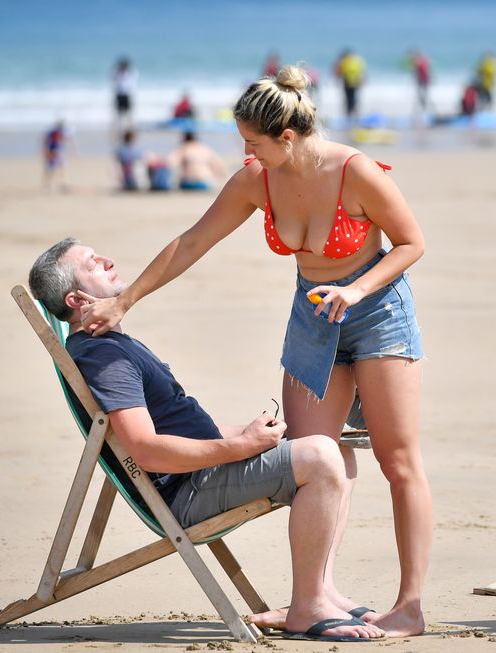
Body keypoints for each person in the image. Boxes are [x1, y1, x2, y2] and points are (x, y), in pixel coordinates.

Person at [79, 65, 431, 638]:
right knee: (319, 453)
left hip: (378, 312)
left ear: (286, 138)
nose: (245, 152)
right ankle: (317, 598)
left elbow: (413, 242)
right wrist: (126, 303)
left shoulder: (355, 171)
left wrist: (356, 289)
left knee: (398, 461)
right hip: (313, 317)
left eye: (253, 142)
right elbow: (193, 240)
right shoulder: (256, 179)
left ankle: (409, 606)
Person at [28, 238, 386, 642]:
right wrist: (242, 446)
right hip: (188, 491)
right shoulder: (103, 357)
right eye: (93, 264)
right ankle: (308, 607)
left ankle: (322, 590)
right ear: (77, 299)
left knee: (332, 445)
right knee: (321, 457)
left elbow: (179, 430)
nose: (108, 260)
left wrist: (252, 435)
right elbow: (146, 449)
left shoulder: (113, 346)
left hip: (202, 472)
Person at [41, 120, 77, 192]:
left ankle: (61, 184)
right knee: (53, 169)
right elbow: (46, 141)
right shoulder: (54, 133)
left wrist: (74, 150)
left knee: (59, 168)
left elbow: (68, 140)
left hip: (56, 152)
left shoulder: (58, 133)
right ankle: (49, 185)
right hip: (53, 152)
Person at [334, 49, 367, 122]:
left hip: (348, 83)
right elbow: (361, 72)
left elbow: (339, 71)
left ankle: (349, 117)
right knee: (353, 99)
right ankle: (355, 116)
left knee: (349, 100)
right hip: (355, 83)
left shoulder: (345, 61)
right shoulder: (357, 61)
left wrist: (336, 80)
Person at [112, 57, 138, 129]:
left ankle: (129, 127)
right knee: (119, 112)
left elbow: (133, 82)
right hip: (119, 94)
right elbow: (114, 81)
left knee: (128, 112)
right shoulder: (117, 73)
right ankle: (120, 126)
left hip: (127, 94)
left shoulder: (130, 73)